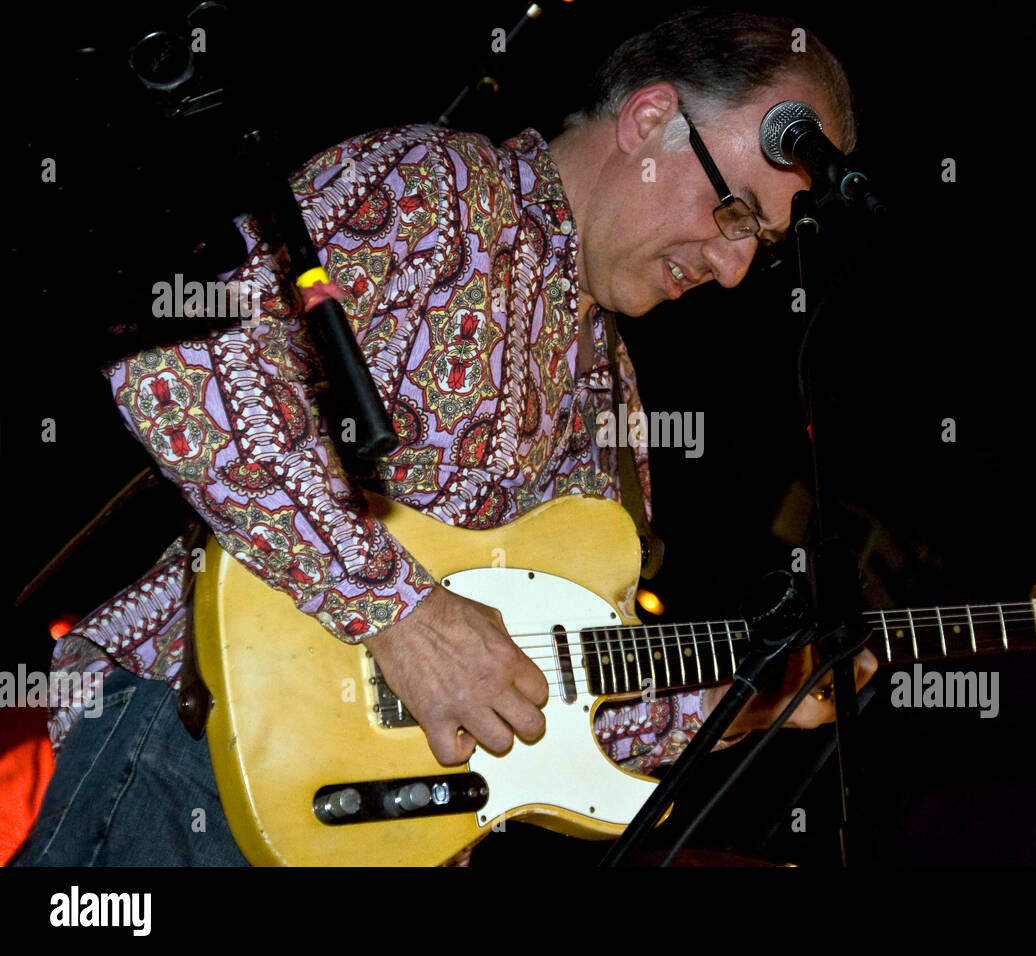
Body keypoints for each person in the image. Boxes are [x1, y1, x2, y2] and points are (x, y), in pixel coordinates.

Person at [16, 6, 876, 867]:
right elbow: (180, 362)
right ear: (650, 121)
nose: (731, 271)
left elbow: (549, 690)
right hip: (197, 758)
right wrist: (404, 613)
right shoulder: (442, 190)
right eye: (735, 213)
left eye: (756, 246)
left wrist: (751, 704)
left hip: (374, 833)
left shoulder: (613, 392)